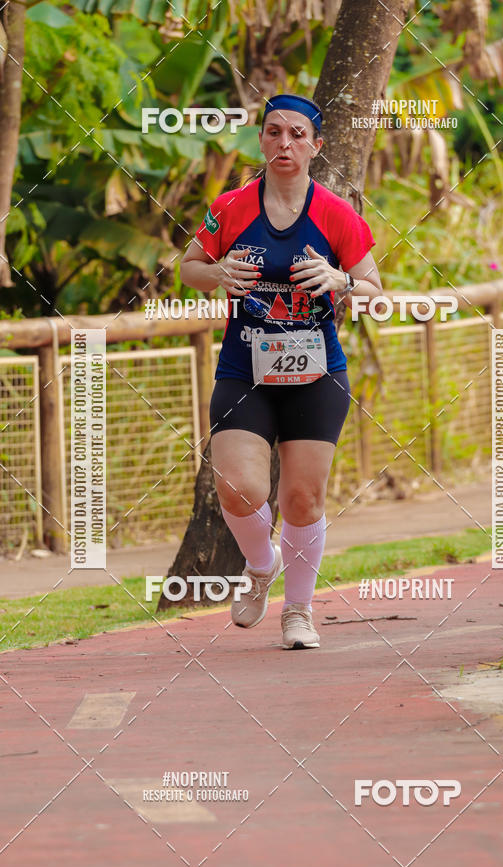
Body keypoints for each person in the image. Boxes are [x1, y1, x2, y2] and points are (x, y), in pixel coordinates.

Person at [181, 93, 383, 649]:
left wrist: (340, 281)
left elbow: (373, 286)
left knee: (302, 499)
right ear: (262, 141)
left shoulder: (337, 215)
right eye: (273, 132)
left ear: (317, 146)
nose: (284, 143)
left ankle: (299, 610)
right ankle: (261, 564)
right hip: (245, 369)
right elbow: (188, 268)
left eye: (298, 134)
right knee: (238, 489)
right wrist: (218, 272)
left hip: (316, 375)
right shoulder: (232, 206)